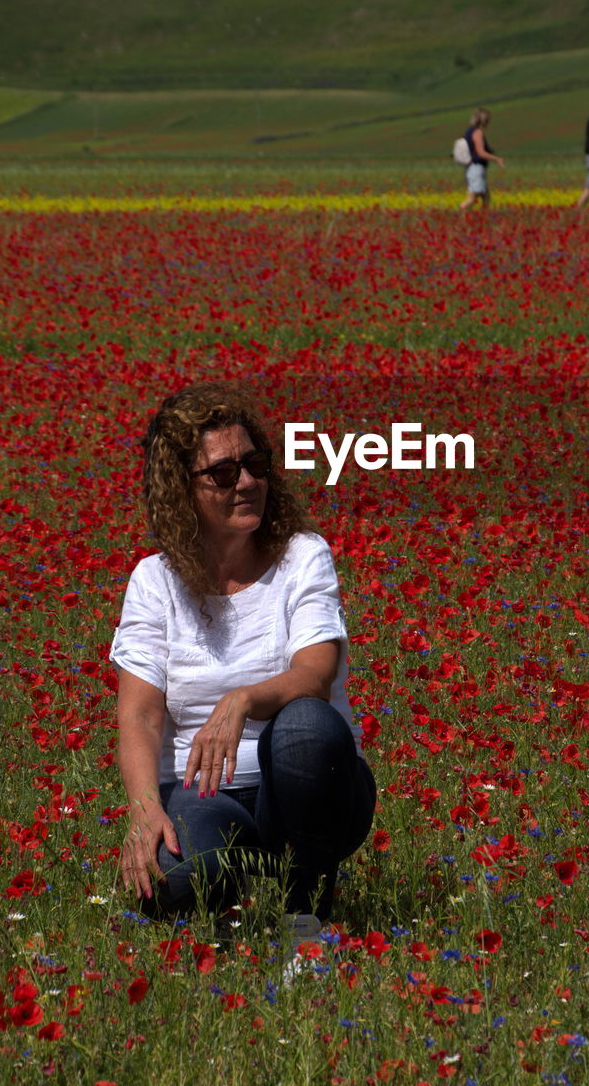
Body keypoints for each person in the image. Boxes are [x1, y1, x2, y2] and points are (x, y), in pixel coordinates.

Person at [111, 381, 376, 940]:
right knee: (173, 881)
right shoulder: (153, 582)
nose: (249, 482)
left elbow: (316, 673)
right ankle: (224, 899)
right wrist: (142, 811)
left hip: (309, 788)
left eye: (256, 464)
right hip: (201, 794)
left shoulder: (302, 556)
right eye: (224, 473)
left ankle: (304, 918)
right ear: (182, 490)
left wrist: (243, 700)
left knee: (307, 723)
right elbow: (139, 715)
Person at [460, 107, 504, 212]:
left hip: (471, 168)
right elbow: (480, 152)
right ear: (483, 120)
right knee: (472, 198)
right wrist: (497, 159)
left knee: (486, 197)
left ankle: (484, 217)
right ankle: (461, 213)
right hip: (476, 168)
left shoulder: (469, 132)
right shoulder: (477, 132)